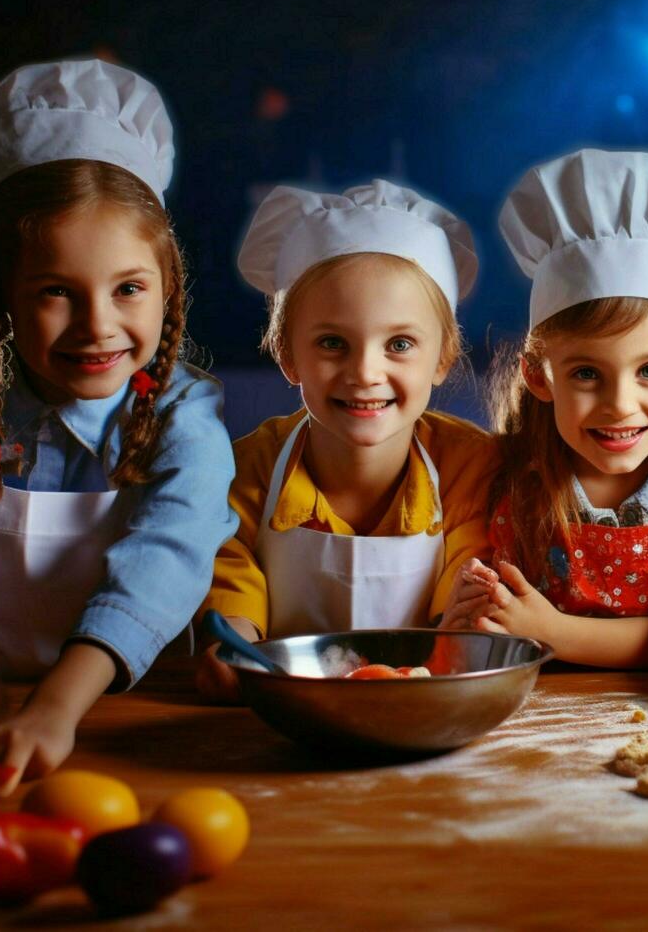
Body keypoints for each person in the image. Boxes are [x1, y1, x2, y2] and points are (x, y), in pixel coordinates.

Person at [0, 59, 237, 791]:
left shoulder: (186, 412)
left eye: (128, 289)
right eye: (57, 291)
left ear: (167, 283)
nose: (98, 328)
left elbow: (168, 555)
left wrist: (57, 705)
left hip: (136, 721)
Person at [195, 180, 493, 701]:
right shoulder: (250, 466)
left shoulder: (471, 464)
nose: (364, 372)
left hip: (424, 703)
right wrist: (233, 641)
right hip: (290, 711)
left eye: (399, 344)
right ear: (288, 355)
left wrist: (465, 627)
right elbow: (230, 561)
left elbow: (469, 573)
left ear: (443, 357)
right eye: (333, 343)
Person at [442, 149, 648, 669]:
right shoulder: (508, 477)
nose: (620, 405)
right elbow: (489, 637)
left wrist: (554, 632)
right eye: (587, 374)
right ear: (538, 376)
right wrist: (467, 616)